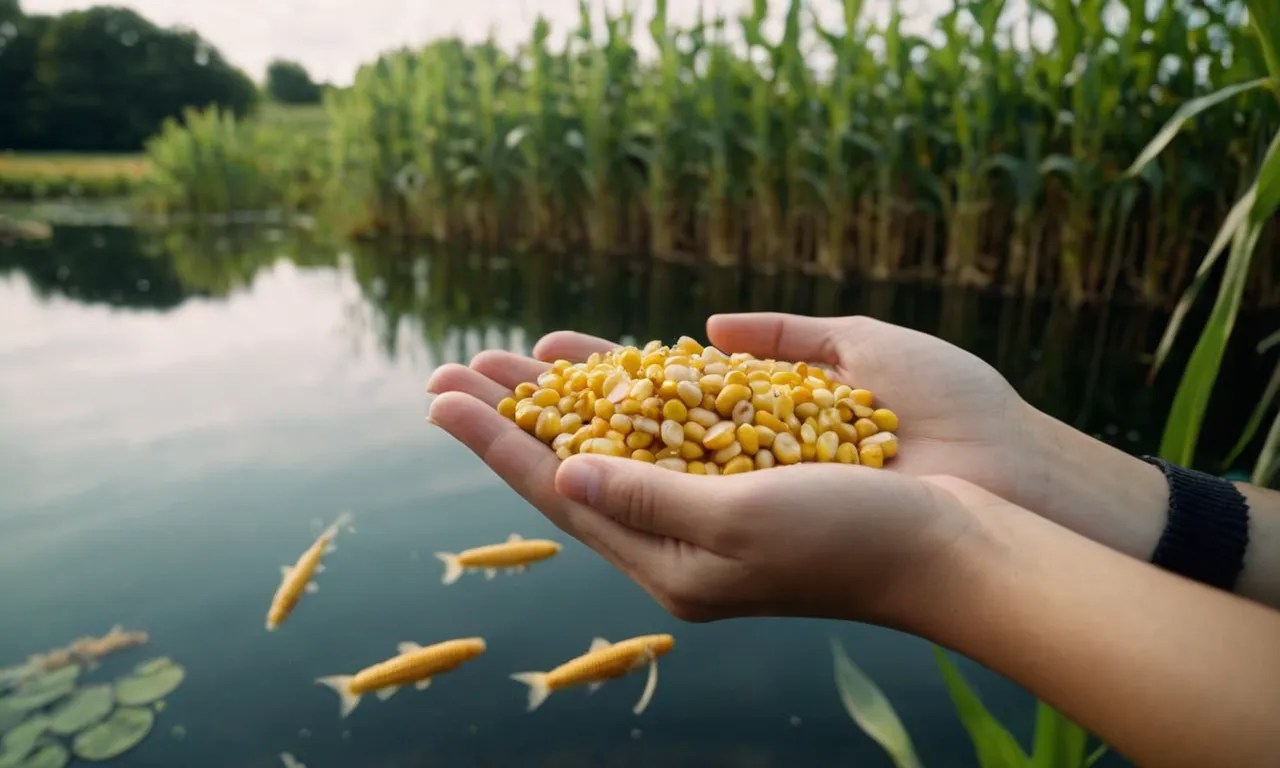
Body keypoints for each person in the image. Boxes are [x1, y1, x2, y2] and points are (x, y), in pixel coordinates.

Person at [425, 312, 1280, 768]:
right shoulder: (661, 396)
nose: (684, 383)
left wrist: (941, 553)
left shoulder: (811, 419)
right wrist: (1039, 466)